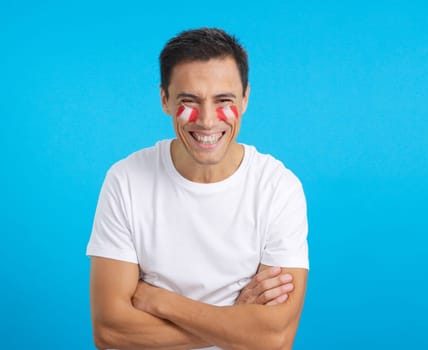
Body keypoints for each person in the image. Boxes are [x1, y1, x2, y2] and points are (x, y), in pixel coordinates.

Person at [86, 28, 309, 350]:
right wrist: (236, 321)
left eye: (224, 101)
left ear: (245, 98)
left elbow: (275, 337)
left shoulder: (278, 188)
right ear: (164, 99)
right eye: (189, 101)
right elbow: (110, 332)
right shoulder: (126, 179)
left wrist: (160, 302)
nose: (206, 121)